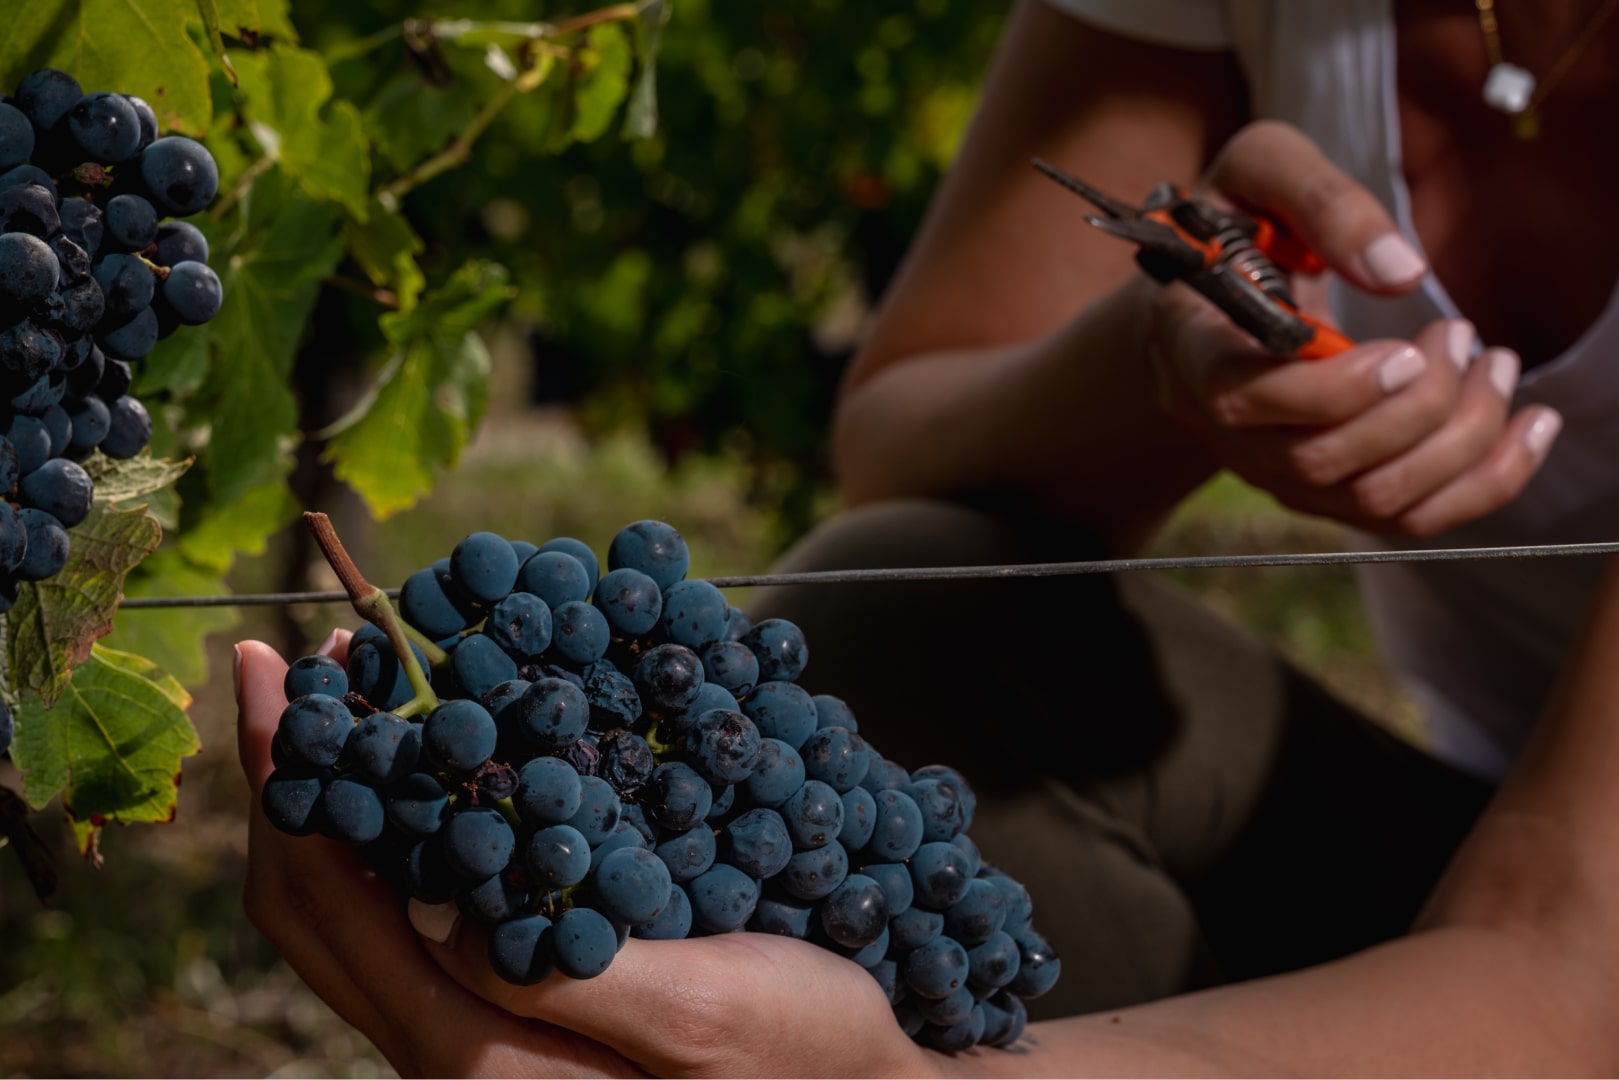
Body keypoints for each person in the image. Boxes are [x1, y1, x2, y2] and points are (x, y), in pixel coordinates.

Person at [739, 0, 1619, 1017]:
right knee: (894, 627)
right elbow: (899, 463)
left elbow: (1563, 976)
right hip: (1489, 839)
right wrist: (1158, 363)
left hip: (1574, 941)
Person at [235, 540, 1619, 1074]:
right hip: (1494, 805)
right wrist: (1164, 358)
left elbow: (1566, 967)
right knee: (912, 595)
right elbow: (904, 400)